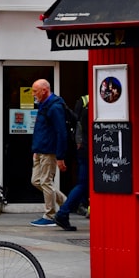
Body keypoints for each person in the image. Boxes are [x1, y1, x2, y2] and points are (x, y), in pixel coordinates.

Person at [29, 79, 75, 230]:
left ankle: (49, 216)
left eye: (35, 91)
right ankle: (66, 203)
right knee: (36, 181)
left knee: (46, 182)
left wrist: (60, 156)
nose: (33, 94)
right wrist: (36, 149)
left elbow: (61, 132)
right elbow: (41, 129)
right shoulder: (44, 104)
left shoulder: (54, 107)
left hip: (49, 151)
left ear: (44, 90)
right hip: (40, 149)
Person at [55, 94, 90, 229]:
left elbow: (77, 124)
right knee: (83, 184)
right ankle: (64, 212)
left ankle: (65, 211)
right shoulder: (89, 104)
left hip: (85, 148)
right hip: (91, 149)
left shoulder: (84, 102)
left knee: (83, 183)